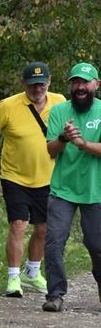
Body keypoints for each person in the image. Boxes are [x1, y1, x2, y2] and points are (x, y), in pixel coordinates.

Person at [0, 62, 65, 297]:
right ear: (23, 84)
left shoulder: (60, 102)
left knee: (43, 228)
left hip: (49, 176)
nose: (37, 89)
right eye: (32, 85)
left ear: (49, 83)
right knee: (18, 225)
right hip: (15, 176)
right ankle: (13, 277)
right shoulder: (8, 106)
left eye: (41, 84)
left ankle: (32, 271)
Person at [41, 62, 101, 312]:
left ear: (96, 85)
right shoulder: (59, 111)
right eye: (75, 82)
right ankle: (55, 294)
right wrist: (64, 138)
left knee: (97, 245)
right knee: (54, 241)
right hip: (62, 189)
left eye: (85, 82)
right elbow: (50, 150)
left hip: (95, 190)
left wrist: (82, 143)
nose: (79, 87)